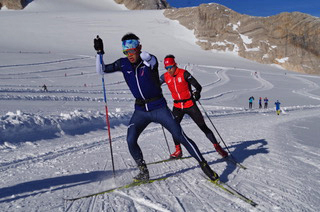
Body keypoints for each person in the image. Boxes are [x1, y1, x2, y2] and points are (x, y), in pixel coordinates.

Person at [95, 33, 219, 182]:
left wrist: (143, 54)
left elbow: (151, 60)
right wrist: (99, 53)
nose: (130, 55)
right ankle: (143, 172)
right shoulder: (123, 64)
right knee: (130, 139)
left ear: (138, 48)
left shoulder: (148, 62)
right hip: (141, 110)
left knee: (181, 136)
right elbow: (101, 70)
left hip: (159, 108)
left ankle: (205, 165)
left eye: (132, 51)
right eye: (126, 52)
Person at [159, 55, 228, 159]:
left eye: (171, 67)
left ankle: (218, 147)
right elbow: (155, 85)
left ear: (175, 65)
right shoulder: (165, 76)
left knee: (203, 127)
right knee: (174, 128)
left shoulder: (184, 73)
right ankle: (178, 151)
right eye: (167, 68)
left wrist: (197, 93)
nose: (169, 70)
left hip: (190, 105)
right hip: (177, 106)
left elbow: (198, 86)